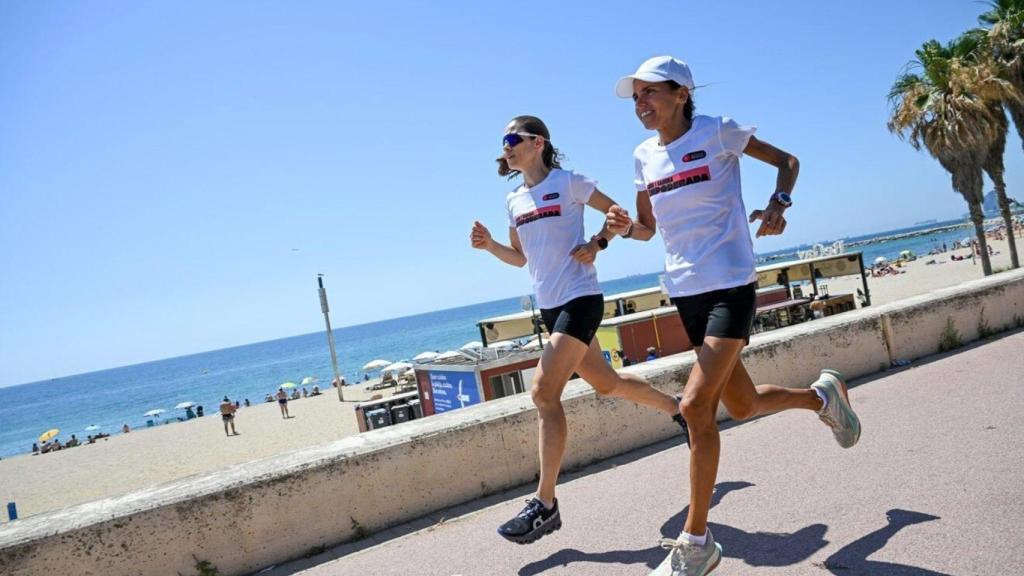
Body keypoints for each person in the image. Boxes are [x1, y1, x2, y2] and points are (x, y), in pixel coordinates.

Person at [607, 56, 861, 575]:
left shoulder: (717, 131)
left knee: (697, 408)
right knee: (741, 405)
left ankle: (697, 542)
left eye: (649, 93)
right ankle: (822, 397)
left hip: (731, 283)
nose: (641, 105)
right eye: (635, 98)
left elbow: (788, 161)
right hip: (685, 292)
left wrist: (779, 203)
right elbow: (646, 228)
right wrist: (619, 227)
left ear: (682, 93)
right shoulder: (642, 157)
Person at [471, 115, 686, 545]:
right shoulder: (514, 200)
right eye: (503, 142)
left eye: (513, 139)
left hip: (580, 300)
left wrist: (597, 245)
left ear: (538, 142)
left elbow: (618, 216)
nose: (506, 147)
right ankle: (680, 409)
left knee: (543, 393)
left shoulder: (570, 183)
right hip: (551, 309)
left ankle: (545, 504)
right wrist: (491, 245)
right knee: (607, 384)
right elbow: (521, 259)